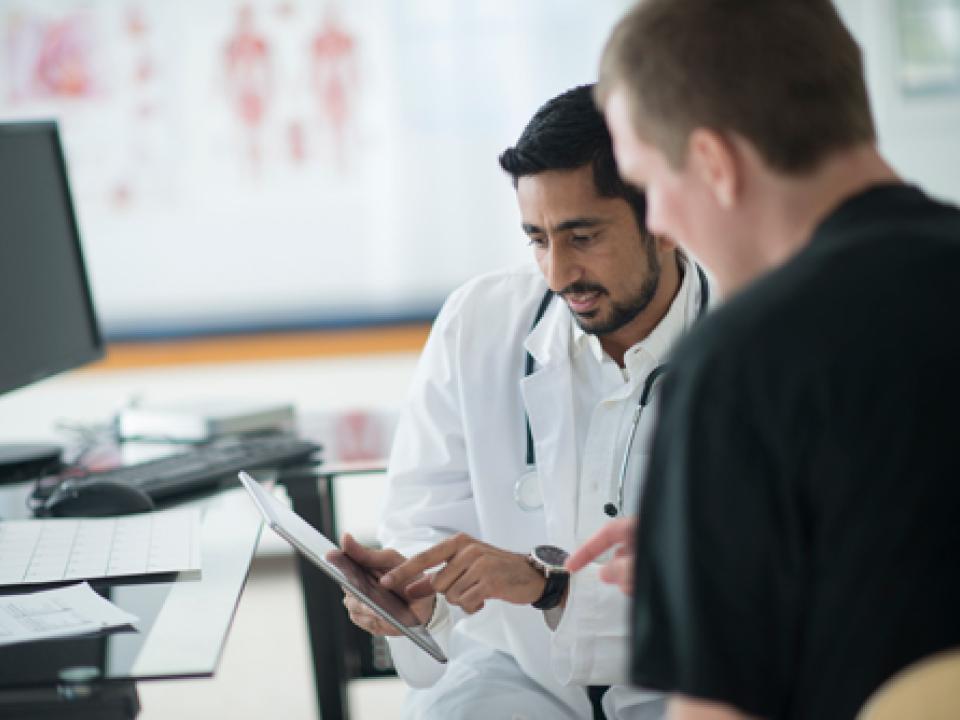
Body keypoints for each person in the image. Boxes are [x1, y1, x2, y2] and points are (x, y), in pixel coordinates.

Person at [568, 2, 960, 719]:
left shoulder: (735, 368)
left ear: (715, 164)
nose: (657, 222)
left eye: (650, 186)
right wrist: (730, 527)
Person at [340, 83, 709, 719]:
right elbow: (423, 512)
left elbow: (753, 595)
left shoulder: (759, 347)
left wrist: (550, 588)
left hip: (690, 681)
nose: (558, 274)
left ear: (668, 221)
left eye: (583, 236)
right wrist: (423, 592)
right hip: (519, 674)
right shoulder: (478, 322)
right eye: (537, 239)